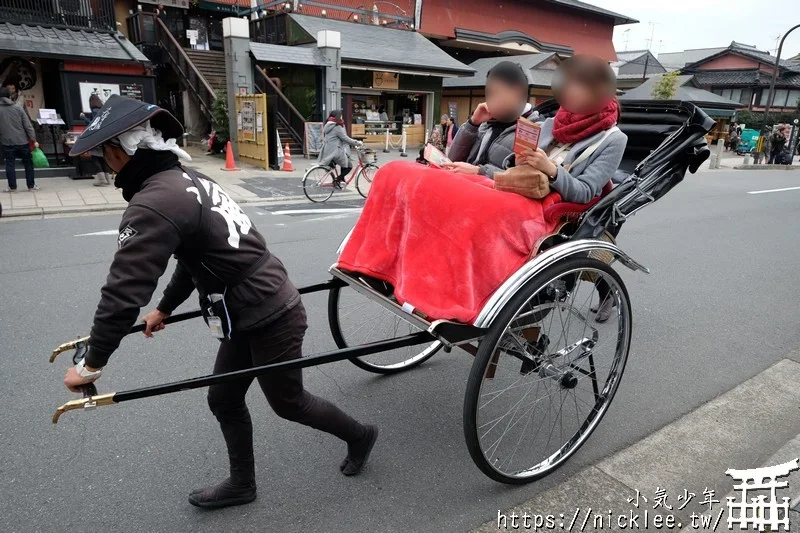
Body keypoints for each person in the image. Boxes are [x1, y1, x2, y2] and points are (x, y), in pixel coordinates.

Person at [62, 95, 378, 510]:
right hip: (244, 307)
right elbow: (193, 258)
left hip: (269, 311)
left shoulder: (156, 200)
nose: (106, 162)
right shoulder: (182, 180)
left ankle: (360, 435)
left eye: (104, 154)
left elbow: (123, 293)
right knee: (224, 398)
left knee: (289, 403)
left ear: (118, 152)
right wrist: (166, 308)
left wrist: (92, 364)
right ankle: (242, 484)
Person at [336, 55, 626, 325]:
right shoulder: (552, 121)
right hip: (512, 185)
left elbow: (587, 191)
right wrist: (519, 158)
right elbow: (507, 162)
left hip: (548, 206)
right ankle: (383, 266)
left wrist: (550, 170)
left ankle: (450, 293)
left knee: (470, 207)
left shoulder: (614, 139)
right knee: (395, 173)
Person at [447, 61, 536, 179]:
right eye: (489, 93)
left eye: (496, 93)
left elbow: (526, 180)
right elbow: (453, 158)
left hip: (495, 196)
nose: (491, 100)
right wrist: (472, 123)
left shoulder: (531, 130)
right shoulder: (486, 125)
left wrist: (480, 171)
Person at [0, 86, 39, 192]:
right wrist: (33, 139)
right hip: (22, 141)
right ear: (9, 96)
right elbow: (28, 126)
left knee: (9, 164)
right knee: (28, 163)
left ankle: (12, 187)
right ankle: (31, 185)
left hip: (6, 142)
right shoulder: (18, 108)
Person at [317, 110, 361, 189]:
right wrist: (357, 143)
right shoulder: (337, 126)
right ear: (338, 116)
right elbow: (345, 138)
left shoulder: (328, 124)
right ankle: (337, 180)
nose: (342, 117)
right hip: (335, 151)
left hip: (328, 150)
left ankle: (341, 181)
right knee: (349, 166)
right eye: (341, 115)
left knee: (344, 162)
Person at [79, 93, 113, 186]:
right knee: (102, 158)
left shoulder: (94, 111)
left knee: (95, 158)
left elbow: (93, 125)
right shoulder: (103, 111)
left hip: (96, 138)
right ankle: (107, 179)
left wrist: (83, 118)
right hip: (104, 137)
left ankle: (102, 180)